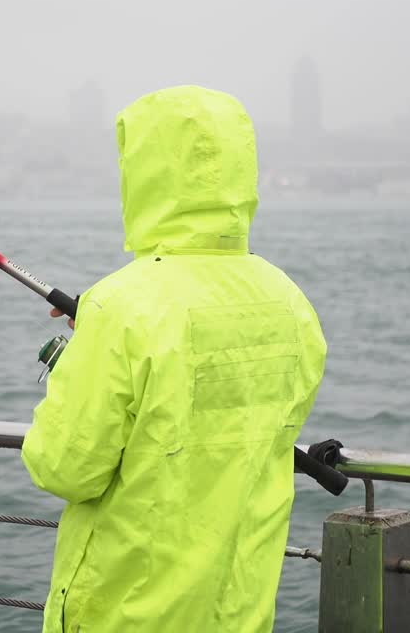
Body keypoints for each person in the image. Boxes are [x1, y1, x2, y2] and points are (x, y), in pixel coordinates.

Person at [21, 85, 327, 632]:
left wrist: (81, 356)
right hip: (239, 612)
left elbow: (65, 467)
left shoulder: (121, 307)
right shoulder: (289, 300)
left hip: (127, 614)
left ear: (143, 173)